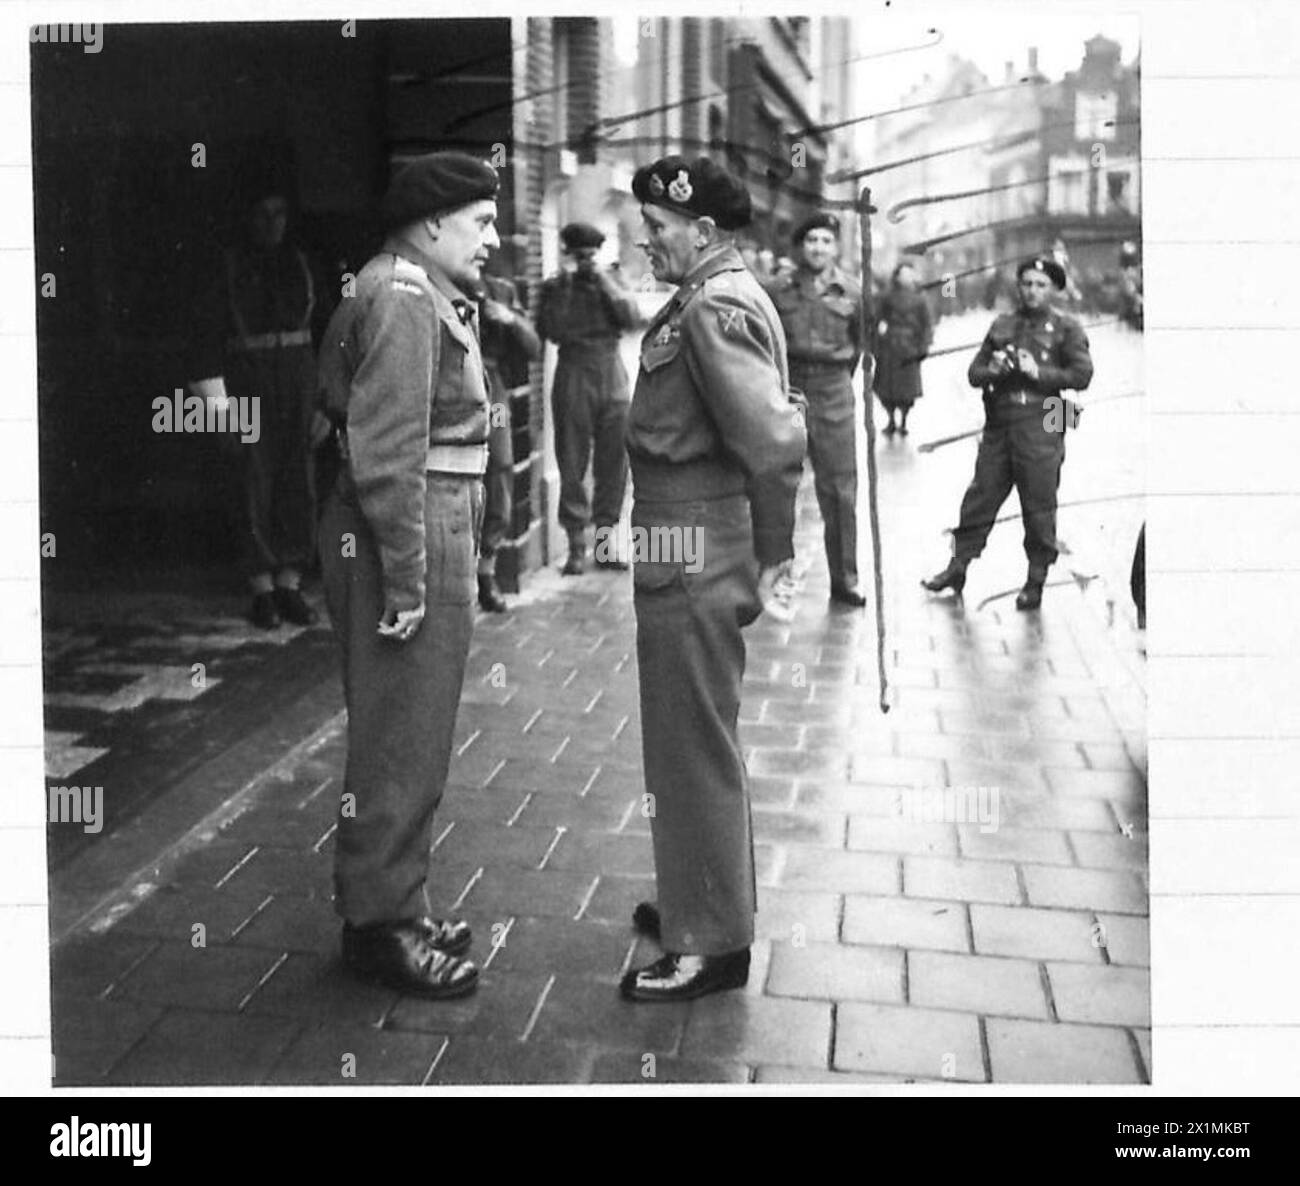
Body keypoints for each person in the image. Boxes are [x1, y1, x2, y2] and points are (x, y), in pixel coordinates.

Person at [619, 156, 807, 1002]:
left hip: (692, 538)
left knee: (692, 740)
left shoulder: (715, 306)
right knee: (682, 729)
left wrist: (774, 555)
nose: (644, 237)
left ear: (703, 232)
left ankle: (713, 941)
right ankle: (699, 896)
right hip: (675, 533)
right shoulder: (704, 296)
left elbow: (771, 443)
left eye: (658, 227)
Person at [315, 152, 502, 998]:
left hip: (428, 518)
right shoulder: (402, 297)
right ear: (432, 223)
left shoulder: (409, 288)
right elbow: (387, 454)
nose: (494, 238)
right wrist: (408, 577)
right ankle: (379, 927)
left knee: (415, 729)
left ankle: (399, 898)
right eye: (482, 221)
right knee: (399, 735)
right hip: (408, 524)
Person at [188, 171, 329, 629]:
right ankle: (262, 591)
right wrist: (219, 412)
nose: (273, 224)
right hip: (246, 382)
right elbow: (204, 341)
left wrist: (328, 405)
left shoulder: (307, 265)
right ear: (248, 218)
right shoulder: (225, 267)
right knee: (251, 479)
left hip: (300, 382)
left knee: (299, 480)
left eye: (280, 214)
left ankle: (290, 583)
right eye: (263, 215)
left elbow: (331, 336)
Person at [922, 256, 1093, 611]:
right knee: (979, 498)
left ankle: (1036, 580)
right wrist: (994, 369)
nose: (1032, 291)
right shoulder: (1003, 324)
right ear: (1018, 286)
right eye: (1027, 284)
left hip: (1045, 418)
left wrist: (1039, 372)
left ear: (1054, 290)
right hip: (1001, 421)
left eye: (1041, 285)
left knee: (1039, 503)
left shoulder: (1067, 328)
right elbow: (974, 373)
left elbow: (1082, 376)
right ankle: (958, 568)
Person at [765, 212, 866, 607]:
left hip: (833, 391)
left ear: (836, 247)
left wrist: (835, 378)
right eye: (811, 241)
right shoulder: (775, 289)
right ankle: (769, 576)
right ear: (800, 247)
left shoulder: (852, 293)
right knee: (775, 486)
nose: (818, 248)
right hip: (787, 390)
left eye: (825, 241)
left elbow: (858, 346)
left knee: (840, 490)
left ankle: (845, 580)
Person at [535, 222, 641, 574]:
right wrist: (567, 285)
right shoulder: (554, 286)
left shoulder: (612, 280)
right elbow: (551, 330)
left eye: (591, 255)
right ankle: (577, 546)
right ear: (567, 253)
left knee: (614, 463)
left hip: (610, 370)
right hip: (574, 368)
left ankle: (606, 546)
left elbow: (631, 317)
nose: (585, 261)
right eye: (579, 255)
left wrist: (602, 281)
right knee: (572, 461)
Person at [469, 268, 541, 612]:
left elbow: (533, 346)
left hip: (492, 385)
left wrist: (508, 318)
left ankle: (486, 571)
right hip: (447, 379)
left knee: (499, 466)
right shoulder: (438, 279)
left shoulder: (500, 287)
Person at [873, 260, 934, 437]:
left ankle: (904, 420)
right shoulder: (887, 297)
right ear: (897, 276)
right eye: (903, 274)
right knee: (886, 388)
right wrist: (876, 342)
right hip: (889, 346)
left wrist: (924, 346)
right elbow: (877, 319)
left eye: (909, 274)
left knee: (907, 390)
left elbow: (926, 325)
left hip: (910, 347)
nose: (906, 277)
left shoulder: (920, 299)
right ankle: (891, 419)